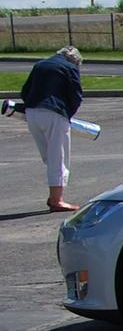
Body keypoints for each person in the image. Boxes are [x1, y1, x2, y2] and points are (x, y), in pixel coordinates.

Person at [20, 46, 84, 212]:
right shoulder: (70, 68)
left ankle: (54, 194)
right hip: (54, 113)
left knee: (49, 156)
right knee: (58, 157)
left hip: (32, 113)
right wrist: (67, 114)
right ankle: (57, 200)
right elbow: (76, 95)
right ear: (75, 60)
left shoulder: (40, 65)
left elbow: (25, 91)